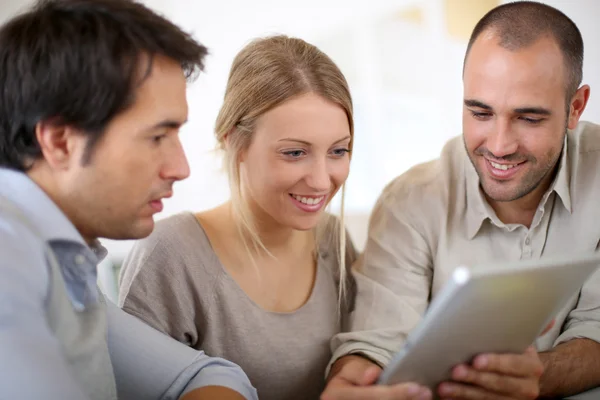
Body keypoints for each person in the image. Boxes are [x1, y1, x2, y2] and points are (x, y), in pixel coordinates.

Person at [117, 34, 430, 400]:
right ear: (233, 140)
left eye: (338, 151)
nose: (320, 180)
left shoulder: (331, 237)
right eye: (295, 153)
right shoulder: (171, 254)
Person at [323, 2, 600, 400]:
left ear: (575, 107)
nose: (500, 146)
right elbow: (376, 344)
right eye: (480, 112)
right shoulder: (411, 202)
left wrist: (536, 376)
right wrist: (356, 379)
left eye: (529, 118)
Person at [0, 1, 257, 399]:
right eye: (158, 137)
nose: (180, 167)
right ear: (60, 141)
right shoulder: (9, 257)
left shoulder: (66, 264)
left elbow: (207, 375)